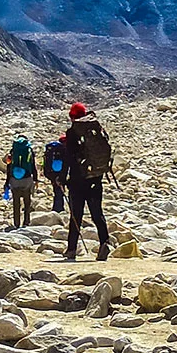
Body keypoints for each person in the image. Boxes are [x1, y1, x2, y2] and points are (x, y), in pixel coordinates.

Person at [62, 102, 110, 262]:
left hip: (77, 181)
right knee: (97, 213)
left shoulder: (72, 132)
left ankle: (72, 249)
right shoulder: (97, 130)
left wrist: (63, 178)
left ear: (72, 117)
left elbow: (69, 157)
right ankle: (104, 243)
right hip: (95, 179)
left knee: (76, 215)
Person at [4, 135, 38, 228]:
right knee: (27, 202)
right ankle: (26, 222)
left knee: (16, 203)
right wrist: (35, 179)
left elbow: (9, 167)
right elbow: (33, 166)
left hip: (14, 180)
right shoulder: (29, 151)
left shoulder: (12, 151)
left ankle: (16, 223)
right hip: (27, 179)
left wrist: (7, 181)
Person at [43, 135, 67, 213]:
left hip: (52, 172)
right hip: (60, 173)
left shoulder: (52, 150)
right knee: (60, 190)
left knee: (56, 190)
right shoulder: (63, 149)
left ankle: (57, 207)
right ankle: (59, 208)